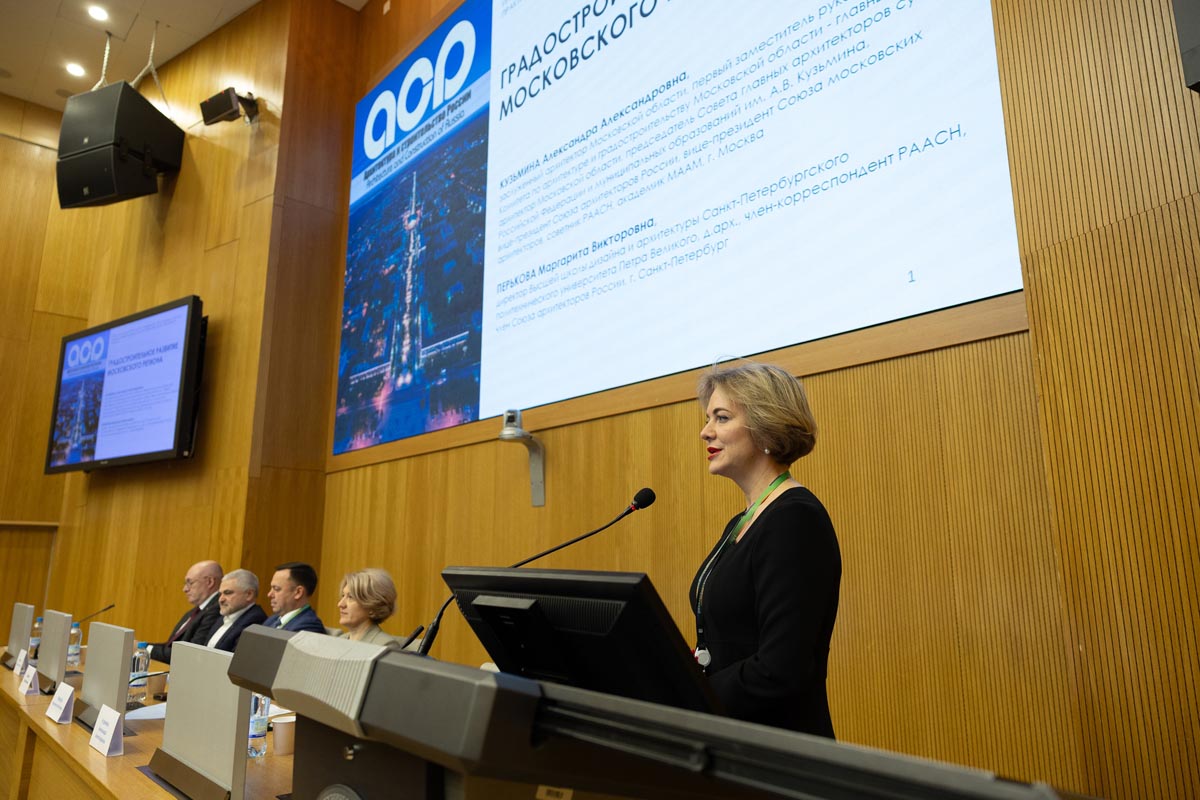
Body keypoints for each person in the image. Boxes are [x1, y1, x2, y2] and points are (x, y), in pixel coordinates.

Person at [690, 362, 841, 737]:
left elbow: (781, 668)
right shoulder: (744, 522)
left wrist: (690, 696)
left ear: (764, 425)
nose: (705, 431)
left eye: (721, 417)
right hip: (733, 737)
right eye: (709, 418)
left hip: (778, 747)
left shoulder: (794, 520)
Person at [147, 560, 224, 664]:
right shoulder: (195, 611)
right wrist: (142, 646)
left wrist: (144, 649)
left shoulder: (216, 610)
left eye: (190, 583)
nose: (185, 589)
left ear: (210, 582)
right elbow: (170, 645)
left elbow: (189, 654)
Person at [206, 569, 268, 652]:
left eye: (228, 593)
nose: (221, 599)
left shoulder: (255, 621)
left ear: (249, 594)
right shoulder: (223, 617)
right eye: (220, 594)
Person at [334, 569, 400, 645]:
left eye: (351, 597)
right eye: (343, 595)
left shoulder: (385, 645)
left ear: (372, 606)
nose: (340, 604)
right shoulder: (338, 641)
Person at [262, 562, 326, 633]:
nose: (269, 594)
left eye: (277, 589)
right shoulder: (272, 619)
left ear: (298, 592)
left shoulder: (309, 627)